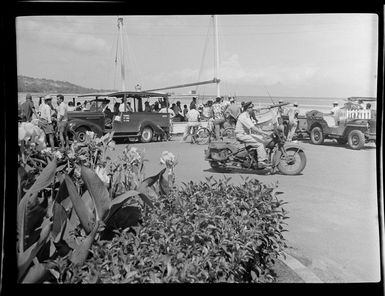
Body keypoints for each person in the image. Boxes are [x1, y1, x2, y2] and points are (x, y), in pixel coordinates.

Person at [234, 101, 270, 168]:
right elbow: (253, 128)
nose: (252, 109)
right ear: (247, 109)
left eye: (252, 107)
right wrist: (264, 133)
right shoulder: (244, 116)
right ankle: (261, 161)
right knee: (260, 144)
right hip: (241, 135)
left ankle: (257, 156)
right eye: (250, 107)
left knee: (262, 139)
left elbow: (253, 126)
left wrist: (262, 134)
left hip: (245, 134)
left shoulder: (247, 115)